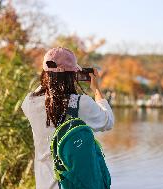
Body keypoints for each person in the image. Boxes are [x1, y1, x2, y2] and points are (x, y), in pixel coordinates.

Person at [21, 47, 114, 189]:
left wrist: (51, 75)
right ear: (73, 75)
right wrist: (96, 89)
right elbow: (108, 121)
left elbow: (43, 89)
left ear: (44, 74)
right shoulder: (80, 103)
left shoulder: (29, 102)